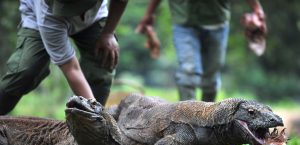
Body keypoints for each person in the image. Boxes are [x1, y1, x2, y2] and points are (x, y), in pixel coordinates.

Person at [0, 0, 128, 115]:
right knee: (26, 70)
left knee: (102, 61)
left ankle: (84, 129)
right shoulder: (47, 17)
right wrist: (96, 112)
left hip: (94, 17)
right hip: (44, 17)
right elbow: (72, 69)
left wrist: (108, 33)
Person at [136, 0, 267, 102]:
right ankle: (187, 122)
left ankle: (208, 122)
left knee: (210, 79)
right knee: (188, 73)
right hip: (184, 22)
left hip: (217, 21)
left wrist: (257, 9)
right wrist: (148, 15)